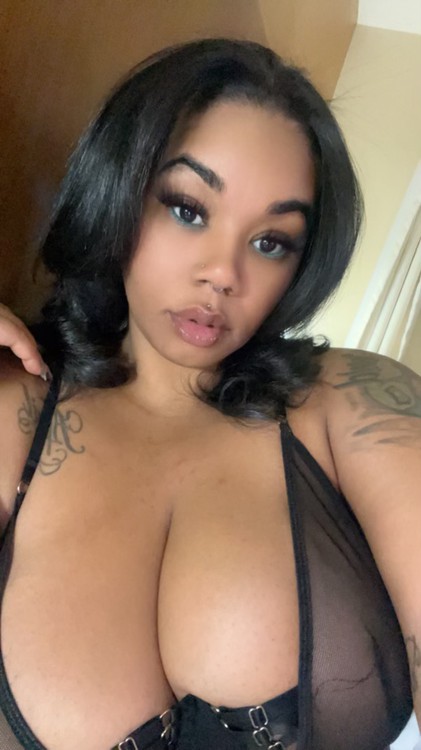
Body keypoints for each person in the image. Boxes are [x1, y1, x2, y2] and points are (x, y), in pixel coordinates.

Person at [0, 38, 419, 750]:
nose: (224, 273)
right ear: (120, 189)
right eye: (188, 209)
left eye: (271, 242)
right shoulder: (19, 408)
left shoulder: (354, 401)